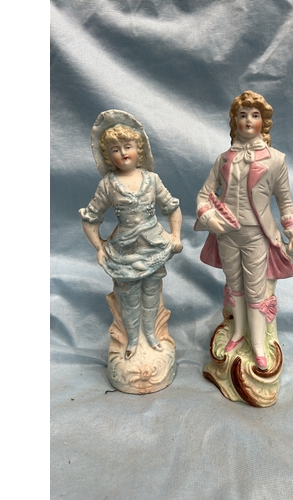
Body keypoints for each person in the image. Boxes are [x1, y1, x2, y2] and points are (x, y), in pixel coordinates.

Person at [195, 91, 293, 370]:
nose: (247, 120)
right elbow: (204, 194)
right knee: (234, 285)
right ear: (234, 120)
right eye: (242, 115)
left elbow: (285, 202)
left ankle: (257, 343)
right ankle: (238, 332)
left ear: (263, 123)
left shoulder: (275, 160)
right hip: (227, 235)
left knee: (256, 289)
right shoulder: (223, 159)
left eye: (254, 115)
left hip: (256, 234)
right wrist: (209, 217)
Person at [80, 111, 182, 360]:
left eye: (128, 147)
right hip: (124, 250)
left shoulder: (152, 180)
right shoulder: (108, 185)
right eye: (115, 150)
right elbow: (90, 218)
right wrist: (99, 247)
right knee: (129, 297)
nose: (123, 153)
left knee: (151, 292)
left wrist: (176, 236)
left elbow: (172, 207)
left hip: (154, 245)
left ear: (139, 149)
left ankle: (151, 334)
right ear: (108, 156)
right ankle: (132, 339)